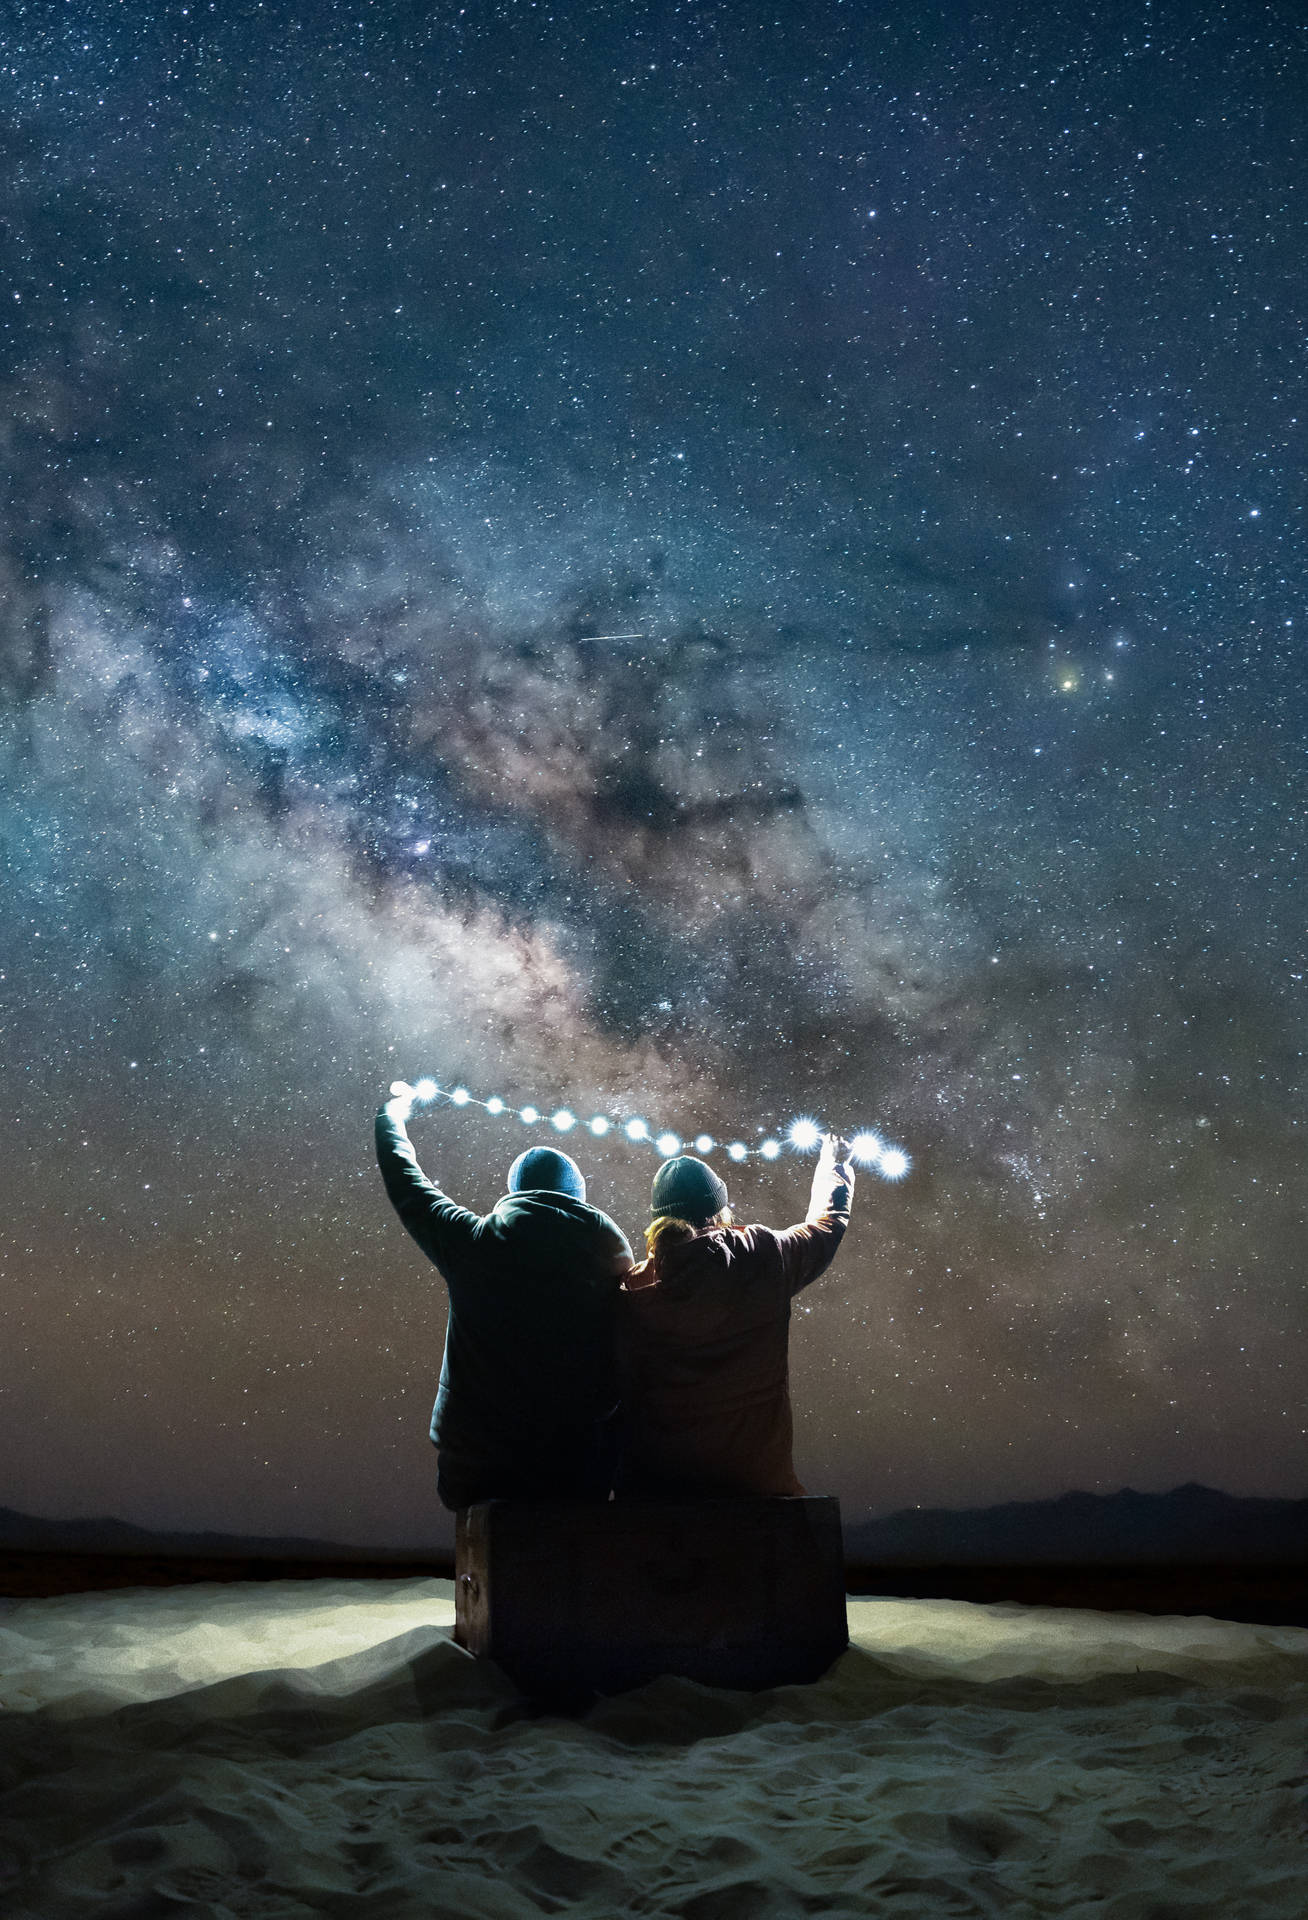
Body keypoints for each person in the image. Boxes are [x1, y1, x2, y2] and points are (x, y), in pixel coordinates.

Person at [375, 1081, 634, 1509]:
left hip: (477, 1468)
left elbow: (407, 1182)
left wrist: (389, 1117)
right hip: (579, 1469)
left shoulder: (473, 1243)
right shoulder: (615, 1262)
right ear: (578, 1198)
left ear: (516, 1192)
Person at [617, 1135, 854, 1498]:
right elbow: (826, 1227)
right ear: (717, 1210)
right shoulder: (764, 1255)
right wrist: (834, 1165)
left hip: (659, 1485)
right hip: (755, 1481)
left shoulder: (632, 1288)